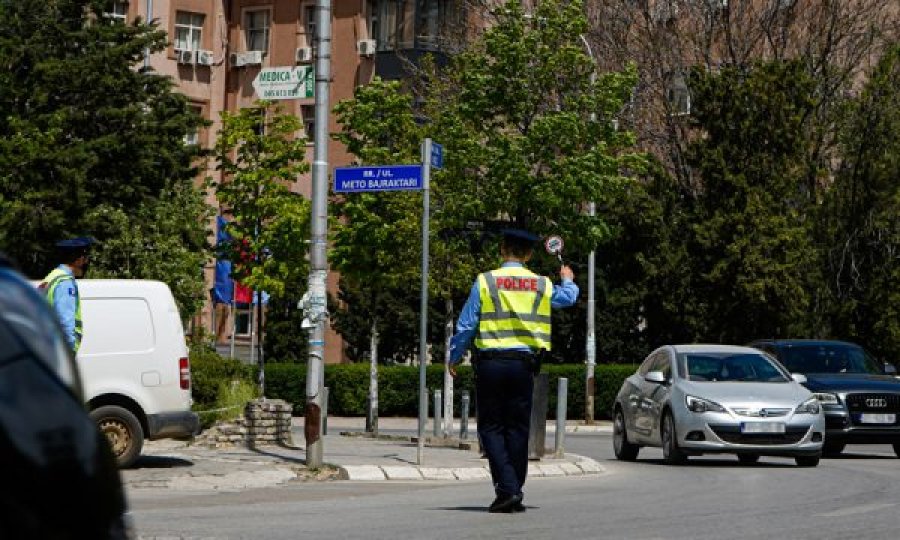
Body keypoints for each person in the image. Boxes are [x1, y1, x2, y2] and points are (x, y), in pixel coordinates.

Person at [448, 228, 579, 513]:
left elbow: (467, 324)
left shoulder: (486, 281)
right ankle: (513, 489)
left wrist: (454, 356)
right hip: (524, 366)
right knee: (518, 428)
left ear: (501, 250)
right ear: (529, 254)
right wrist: (567, 280)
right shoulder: (541, 284)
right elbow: (567, 299)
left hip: (491, 364)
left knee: (491, 428)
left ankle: (508, 488)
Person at [39, 236, 96, 353]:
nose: (86, 263)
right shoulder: (65, 283)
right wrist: (68, 357)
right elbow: (66, 323)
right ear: (78, 259)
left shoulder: (52, 276)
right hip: (59, 352)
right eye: (85, 258)